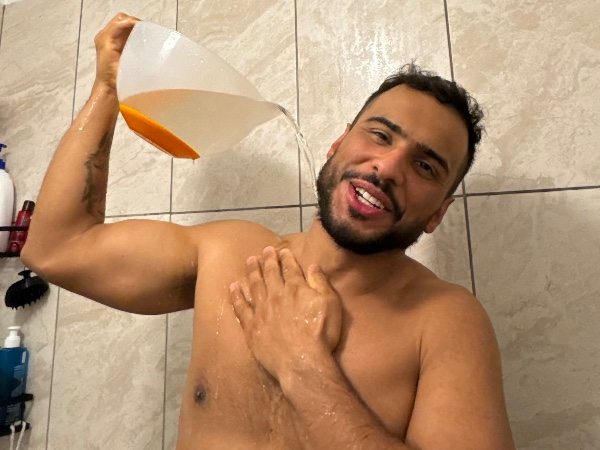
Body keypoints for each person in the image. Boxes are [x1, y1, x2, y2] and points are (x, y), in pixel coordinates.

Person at [22, 12, 515, 450]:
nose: (386, 167)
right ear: (338, 144)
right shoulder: (230, 255)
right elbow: (57, 249)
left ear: (437, 214)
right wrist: (109, 89)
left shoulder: (445, 323)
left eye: (425, 166)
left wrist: (303, 364)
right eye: (380, 134)